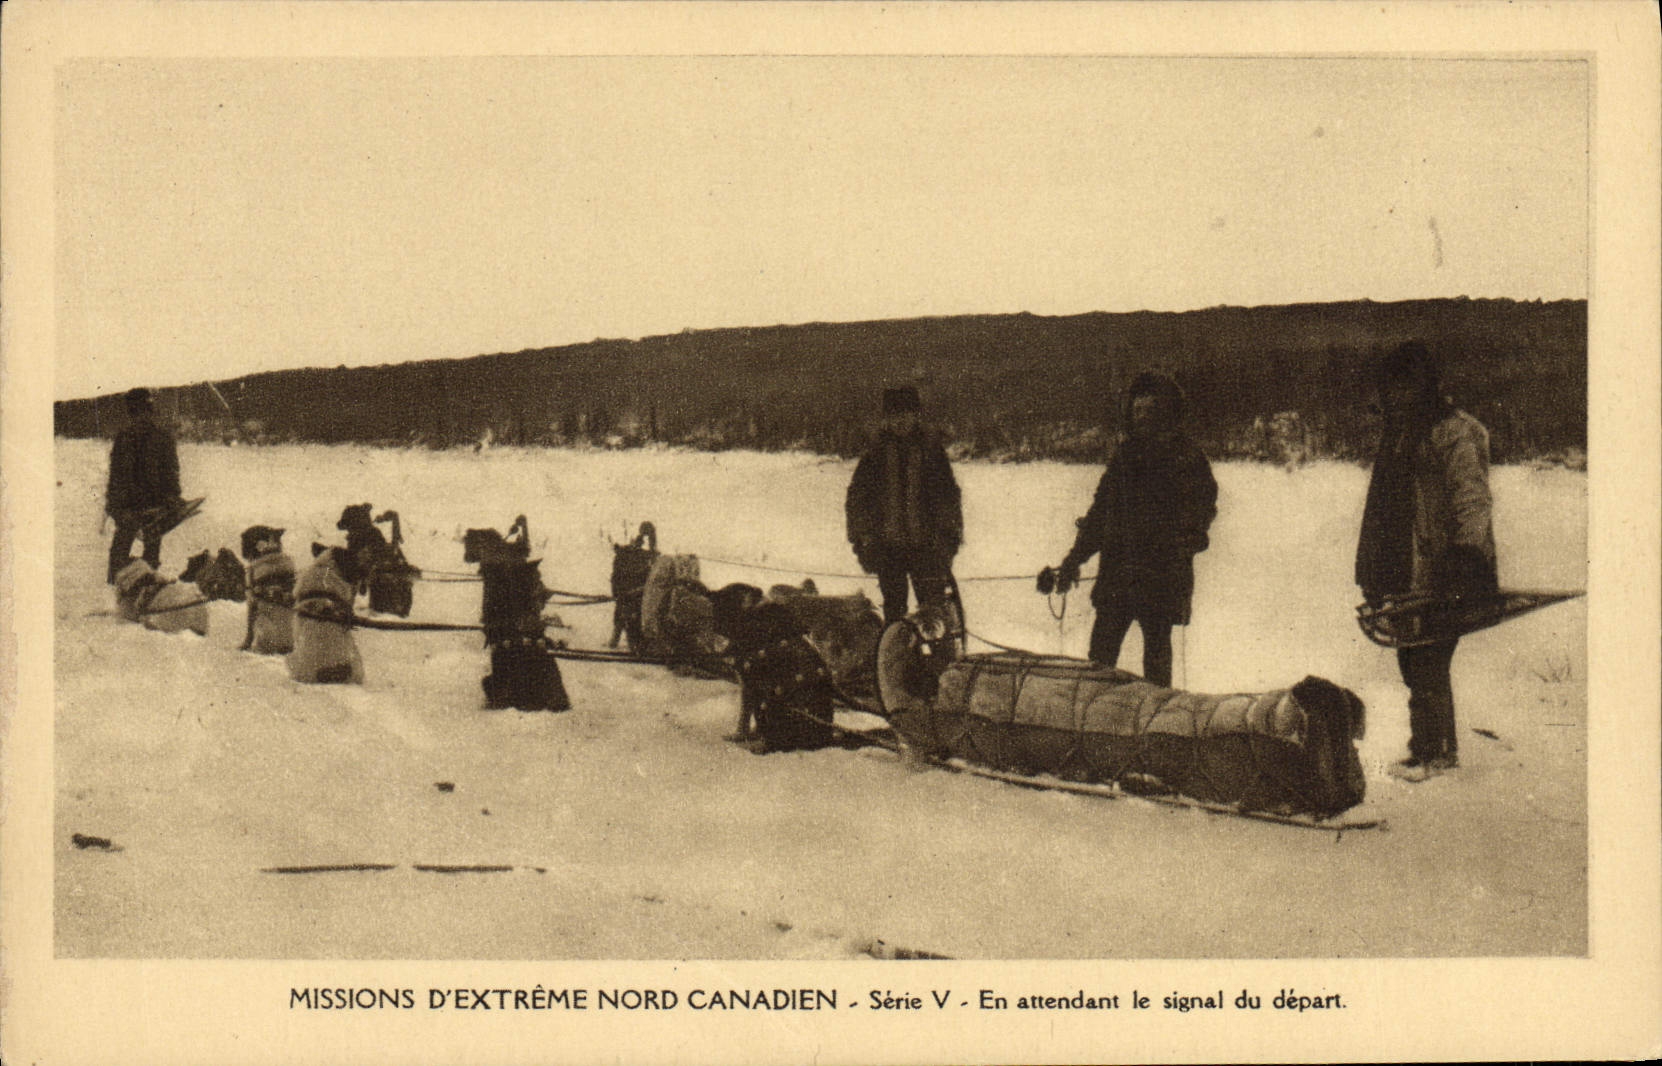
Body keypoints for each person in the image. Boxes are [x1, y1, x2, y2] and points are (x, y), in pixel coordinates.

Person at [1356, 341, 1497, 782]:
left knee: (1429, 660)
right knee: (1412, 659)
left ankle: (1437, 753)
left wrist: (1466, 556)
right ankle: (1426, 749)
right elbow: (1381, 508)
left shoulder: (1452, 433)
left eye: (1407, 386)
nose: (1399, 395)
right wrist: (1372, 569)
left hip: (1443, 566)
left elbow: (1471, 498)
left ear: (1426, 385)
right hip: (1404, 565)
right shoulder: (1399, 434)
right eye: (1392, 387)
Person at [1050, 372, 1217, 687]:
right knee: (1100, 660)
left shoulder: (1187, 457)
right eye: (1137, 410)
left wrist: (1185, 541)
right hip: (1118, 576)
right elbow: (1100, 515)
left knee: (1157, 662)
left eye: (1150, 410)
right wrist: (1074, 560)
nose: (1142, 417)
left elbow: (1202, 508)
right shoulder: (1124, 457)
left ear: (1166, 412)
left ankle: (1159, 713)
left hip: (1161, 578)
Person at [845, 386, 963, 625]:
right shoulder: (875, 455)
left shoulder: (931, 453)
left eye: (906, 415)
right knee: (894, 617)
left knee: (933, 616)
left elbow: (948, 499)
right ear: (886, 419)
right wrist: (864, 540)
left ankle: (939, 650)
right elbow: (857, 501)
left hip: (928, 549)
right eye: (894, 416)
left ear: (915, 416)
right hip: (887, 551)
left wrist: (947, 539)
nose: (900, 421)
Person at [105, 387, 183, 584]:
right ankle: (129, 589)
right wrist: (114, 506)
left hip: (148, 507)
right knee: (126, 555)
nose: (142, 417)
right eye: (138, 412)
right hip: (136, 507)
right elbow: (116, 477)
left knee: (141, 556)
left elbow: (171, 472)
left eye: (144, 412)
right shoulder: (127, 438)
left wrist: (172, 498)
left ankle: (142, 589)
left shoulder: (158, 438)